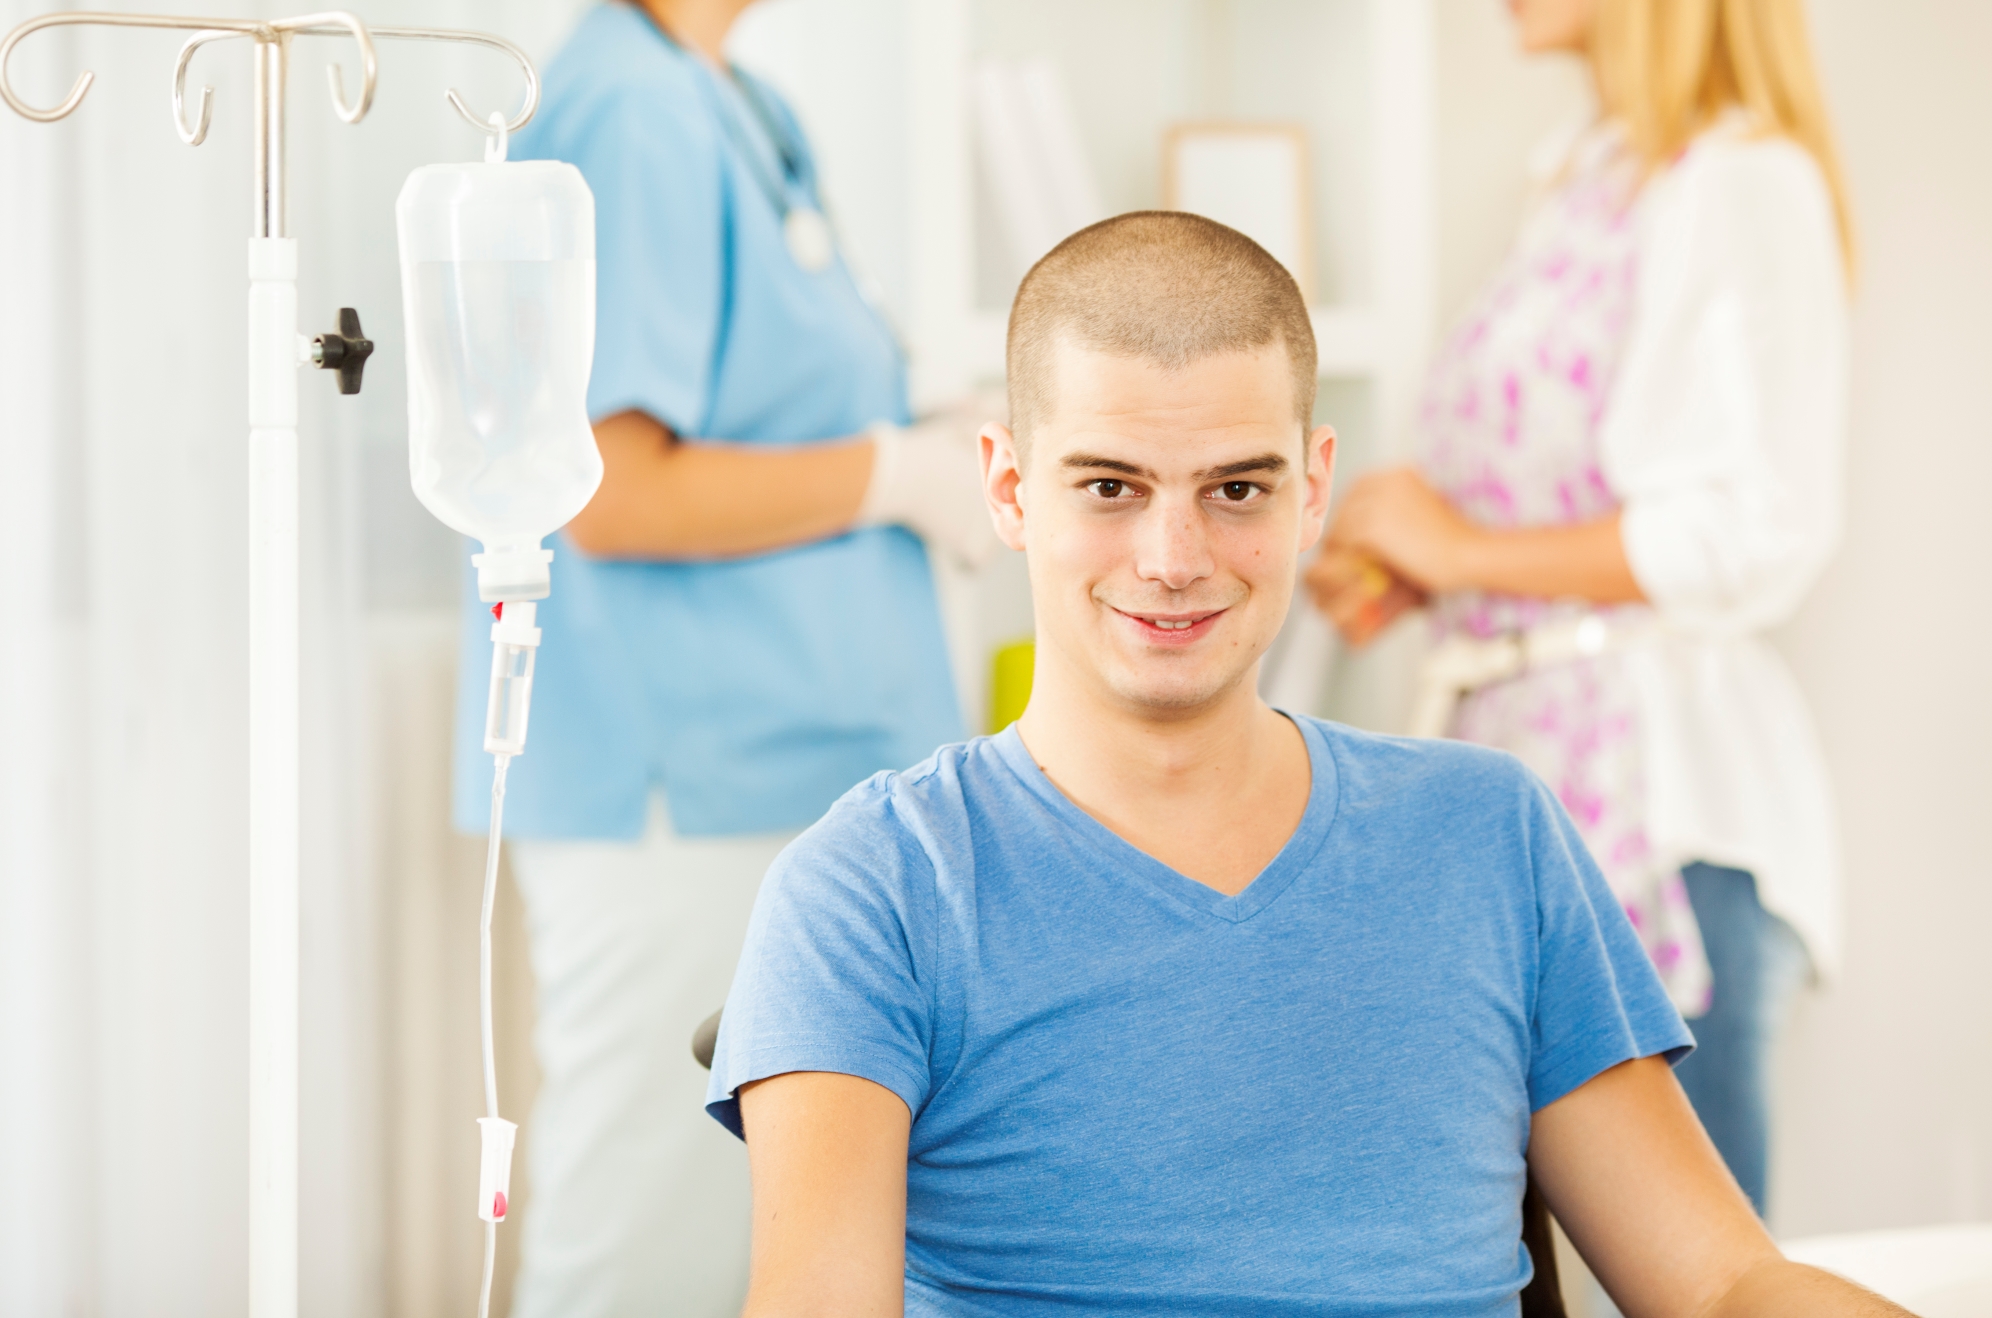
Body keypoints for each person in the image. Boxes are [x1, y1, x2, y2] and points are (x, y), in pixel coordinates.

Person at [703, 212, 1907, 1316]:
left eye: (1235, 488)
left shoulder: (1488, 833)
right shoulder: (872, 886)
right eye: (1110, 487)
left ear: (1312, 487)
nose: (1172, 557)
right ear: (1011, 488)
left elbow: (1722, 1283)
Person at [452, 2, 994, 1313]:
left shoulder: (738, 101)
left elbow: (770, 395)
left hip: (780, 768)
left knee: (760, 1225)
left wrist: (922, 431)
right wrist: (892, 473)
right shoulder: (636, 110)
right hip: (684, 782)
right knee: (653, 1234)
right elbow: (615, 491)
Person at [1307, 0, 1847, 1217]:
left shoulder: (1740, 183)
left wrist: (1465, 546)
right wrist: (1431, 567)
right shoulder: (1583, 182)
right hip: (1523, 776)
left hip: (1657, 811)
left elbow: (1747, 526)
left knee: (1678, 1269)